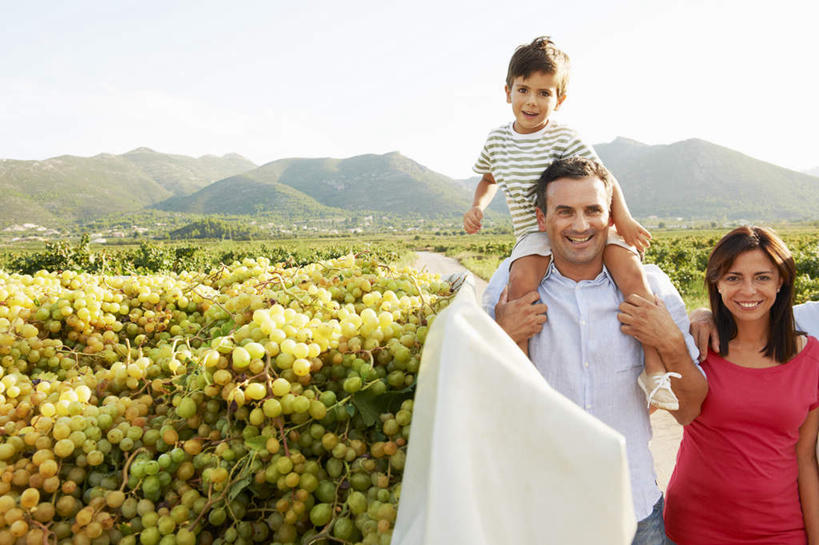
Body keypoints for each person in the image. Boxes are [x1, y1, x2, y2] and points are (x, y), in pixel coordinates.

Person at [486, 156, 708, 545]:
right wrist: (500, 335)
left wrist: (670, 340)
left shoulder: (648, 287)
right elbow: (473, 396)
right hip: (541, 517)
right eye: (565, 211)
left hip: (636, 513)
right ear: (542, 219)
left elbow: (690, 408)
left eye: (592, 210)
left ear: (609, 218)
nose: (580, 224)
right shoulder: (509, 286)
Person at [463, 36, 678, 412]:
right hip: (534, 231)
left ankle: (654, 370)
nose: (532, 101)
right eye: (523, 89)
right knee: (520, 285)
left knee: (631, 273)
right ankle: (522, 370)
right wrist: (477, 206)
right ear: (507, 91)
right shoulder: (497, 140)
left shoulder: (563, 136)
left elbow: (604, 179)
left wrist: (621, 219)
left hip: (580, 222)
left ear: (558, 99)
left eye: (544, 93)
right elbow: (487, 178)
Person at [663, 226, 819, 545]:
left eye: (762, 277)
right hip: (693, 529)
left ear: (781, 282)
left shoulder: (812, 359)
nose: (748, 290)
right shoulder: (696, 347)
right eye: (733, 278)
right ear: (716, 283)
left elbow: (805, 459)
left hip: (781, 531)